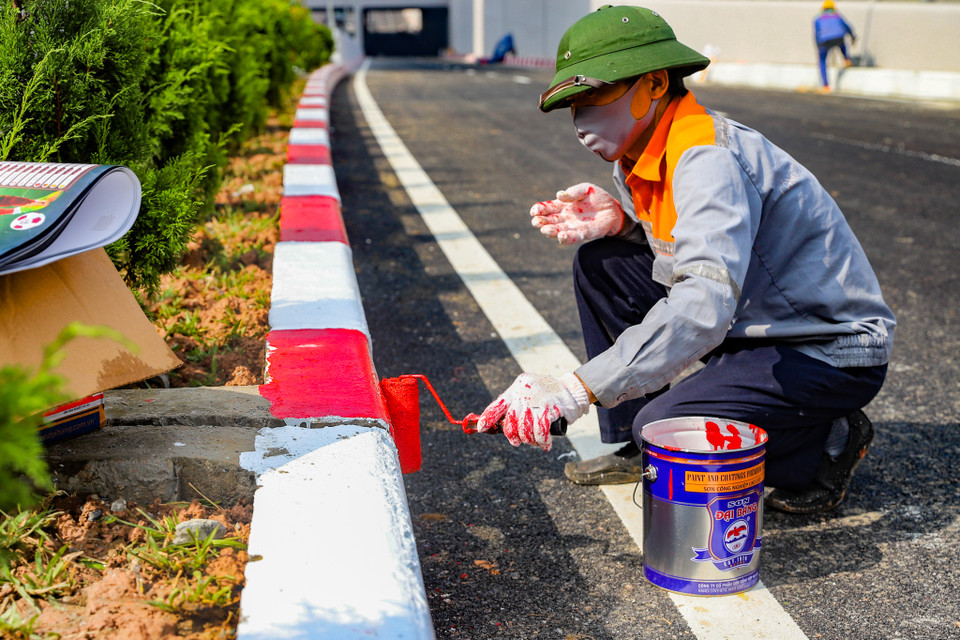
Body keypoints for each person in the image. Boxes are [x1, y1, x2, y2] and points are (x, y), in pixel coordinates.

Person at [476, 5, 895, 514]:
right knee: (602, 264)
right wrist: (625, 223)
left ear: (653, 84)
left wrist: (577, 389)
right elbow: (691, 250)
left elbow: (702, 306)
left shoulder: (707, 159)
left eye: (595, 95)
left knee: (663, 430)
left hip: (821, 346)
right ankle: (637, 442)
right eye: (574, 103)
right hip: (753, 325)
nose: (582, 119)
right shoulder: (642, 153)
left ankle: (824, 442)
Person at [814, 0, 856, 91]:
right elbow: (847, 27)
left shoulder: (818, 19)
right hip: (839, 38)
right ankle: (846, 59)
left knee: (822, 61)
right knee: (842, 43)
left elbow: (817, 34)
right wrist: (853, 37)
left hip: (825, 41)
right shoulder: (838, 16)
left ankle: (826, 85)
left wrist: (818, 45)